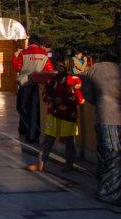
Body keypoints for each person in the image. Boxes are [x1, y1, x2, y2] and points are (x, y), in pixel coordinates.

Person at [27, 54, 84, 172]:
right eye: (58, 65)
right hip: (53, 113)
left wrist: (63, 100)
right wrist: (49, 98)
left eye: (62, 65)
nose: (59, 67)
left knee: (69, 140)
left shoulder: (74, 80)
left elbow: (80, 99)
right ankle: (42, 163)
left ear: (67, 66)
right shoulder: (53, 79)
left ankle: (69, 164)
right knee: (48, 139)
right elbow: (45, 93)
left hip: (68, 115)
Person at [81, 46, 121, 205]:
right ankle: (108, 193)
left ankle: (104, 187)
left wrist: (100, 102)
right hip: (115, 118)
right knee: (114, 156)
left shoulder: (93, 69)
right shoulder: (117, 70)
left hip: (101, 116)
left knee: (104, 154)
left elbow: (87, 94)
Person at [14, 34, 54, 143]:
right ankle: (33, 132)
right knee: (33, 109)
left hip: (25, 83)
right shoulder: (44, 54)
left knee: (21, 107)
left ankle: (33, 129)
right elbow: (49, 69)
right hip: (38, 85)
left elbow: (17, 67)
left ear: (29, 42)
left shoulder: (23, 53)